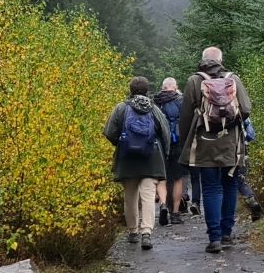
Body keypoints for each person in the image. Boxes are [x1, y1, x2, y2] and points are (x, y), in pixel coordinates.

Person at [180, 45, 252, 252]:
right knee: (229, 186)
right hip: (231, 143)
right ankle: (227, 233)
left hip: (204, 142)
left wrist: (186, 142)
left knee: (211, 188)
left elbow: (185, 116)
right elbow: (246, 109)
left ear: (203, 59)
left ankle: (215, 238)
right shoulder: (233, 78)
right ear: (221, 60)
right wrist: (230, 124)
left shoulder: (195, 80)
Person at [103, 75, 172, 250]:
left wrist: (121, 144)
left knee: (130, 196)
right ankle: (146, 232)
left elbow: (109, 132)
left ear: (130, 90)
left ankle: (133, 231)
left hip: (127, 158)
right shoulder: (154, 109)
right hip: (151, 157)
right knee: (148, 195)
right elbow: (165, 133)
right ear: (147, 90)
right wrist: (165, 153)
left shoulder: (121, 108)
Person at [153, 76, 187, 225]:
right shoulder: (181, 101)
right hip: (178, 144)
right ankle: (175, 213)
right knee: (178, 178)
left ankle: (162, 206)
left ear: (163, 87)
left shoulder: (156, 102)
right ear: (175, 86)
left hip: (160, 144)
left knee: (162, 178)